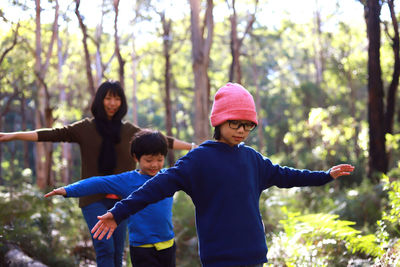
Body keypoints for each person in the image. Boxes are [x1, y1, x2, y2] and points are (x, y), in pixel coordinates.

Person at [91, 82, 355, 267]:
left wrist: (324, 175)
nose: (241, 130)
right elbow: (154, 187)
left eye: (248, 125)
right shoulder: (198, 160)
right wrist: (118, 212)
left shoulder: (252, 159)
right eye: (235, 123)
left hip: (253, 254)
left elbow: (287, 176)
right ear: (218, 122)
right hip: (219, 257)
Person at [0, 80, 194, 267]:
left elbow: (160, 142)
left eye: (117, 99)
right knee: (105, 247)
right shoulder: (85, 128)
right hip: (94, 197)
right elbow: (52, 134)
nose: (112, 103)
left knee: (118, 251)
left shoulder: (129, 131)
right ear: (100, 100)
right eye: (108, 98)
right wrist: (15, 135)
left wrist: (193, 146)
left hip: (124, 198)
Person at [44, 129, 177, 267]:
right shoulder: (127, 180)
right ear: (136, 158)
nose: (155, 164)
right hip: (142, 248)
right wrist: (68, 190)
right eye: (149, 160)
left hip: (168, 244)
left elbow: (190, 172)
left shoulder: (168, 177)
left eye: (160, 160)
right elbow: (97, 183)